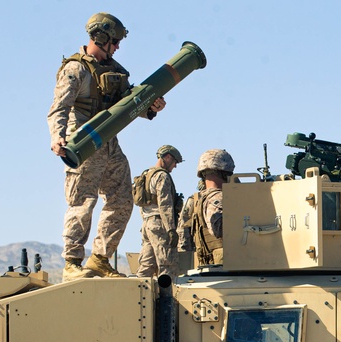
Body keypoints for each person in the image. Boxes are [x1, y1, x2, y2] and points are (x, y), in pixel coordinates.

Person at [48, 12, 166, 282]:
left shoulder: (116, 71)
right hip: (84, 143)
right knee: (82, 202)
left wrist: (151, 108)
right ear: (100, 36)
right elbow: (59, 108)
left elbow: (128, 105)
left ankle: (100, 259)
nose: (118, 46)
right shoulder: (75, 69)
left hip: (110, 144)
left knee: (123, 200)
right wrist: (57, 137)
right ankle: (72, 263)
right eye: (114, 41)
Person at [178, 149, 235, 267]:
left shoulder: (195, 199)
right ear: (223, 172)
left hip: (206, 263)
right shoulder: (218, 197)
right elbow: (218, 230)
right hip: (224, 264)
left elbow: (182, 232)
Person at [135, 145, 183, 278]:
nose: (175, 166)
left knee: (146, 266)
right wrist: (171, 230)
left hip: (147, 224)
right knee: (167, 265)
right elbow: (165, 204)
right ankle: (168, 297)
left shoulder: (146, 174)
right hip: (160, 224)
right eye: (175, 162)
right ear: (167, 157)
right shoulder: (162, 176)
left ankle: (137, 296)